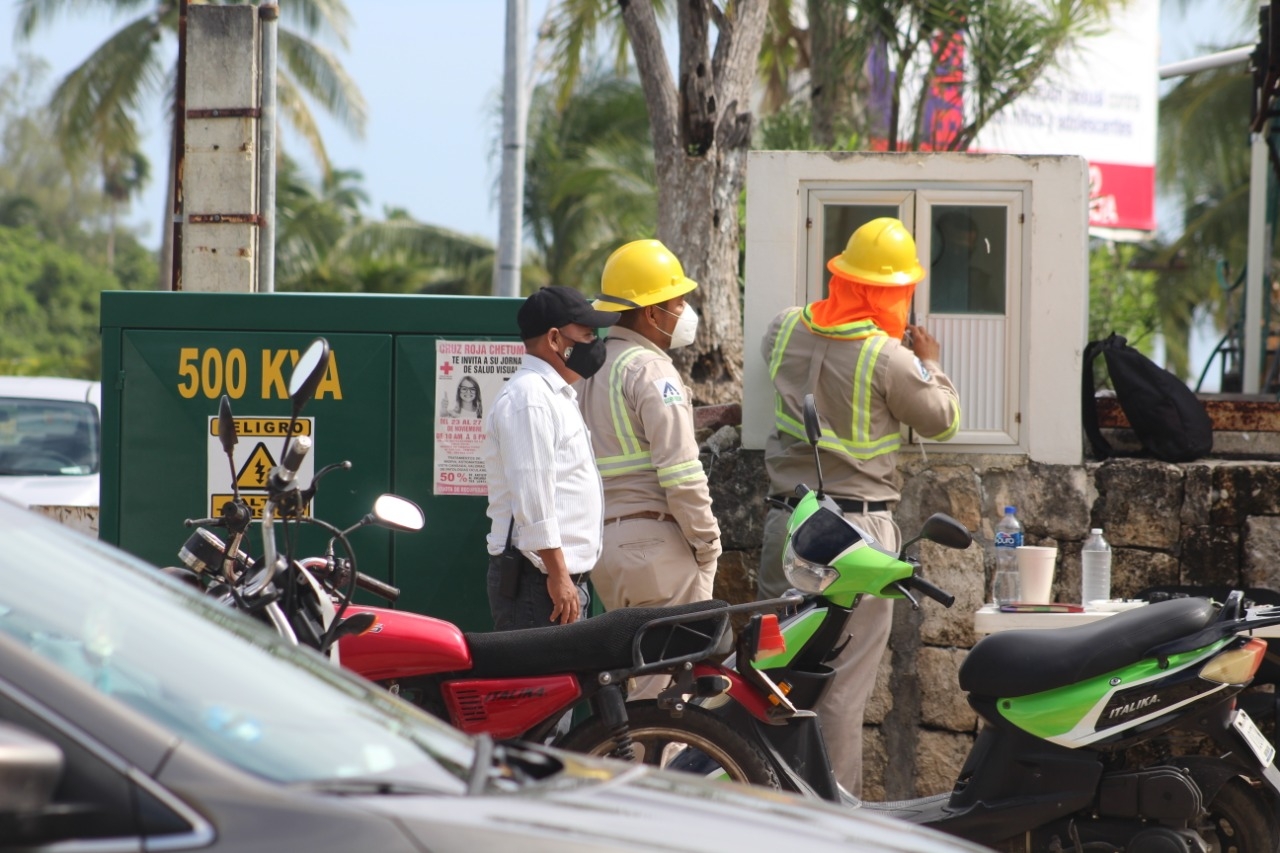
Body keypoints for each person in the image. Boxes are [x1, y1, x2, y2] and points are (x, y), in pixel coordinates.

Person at [759, 217, 961, 795]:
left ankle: (765, 809)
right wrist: (932, 360)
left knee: (774, 679)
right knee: (840, 688)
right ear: (886, 293)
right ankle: (828, 825)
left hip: (788, 521)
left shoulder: (782, 329)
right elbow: (942, 418)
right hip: (855, 532)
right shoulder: (890, 359)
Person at [578, 239, 722, 698]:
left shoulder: (591, 368)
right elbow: (680, 471)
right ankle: (651, 774)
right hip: (657, 550)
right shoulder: (651, 370)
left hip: (606, 549)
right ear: (649, 313)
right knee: (667, 701)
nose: (684, 310)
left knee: (634, 692)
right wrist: (707, 542)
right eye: (675, 301)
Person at [481, 285, 621, 629]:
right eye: (587, 333)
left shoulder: (554, 393)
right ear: (556, 339)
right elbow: (534, 498)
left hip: (556, 581)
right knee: (540, 683)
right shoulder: (529, 398)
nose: (595, 341)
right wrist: (558, 576)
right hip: (539, 583)